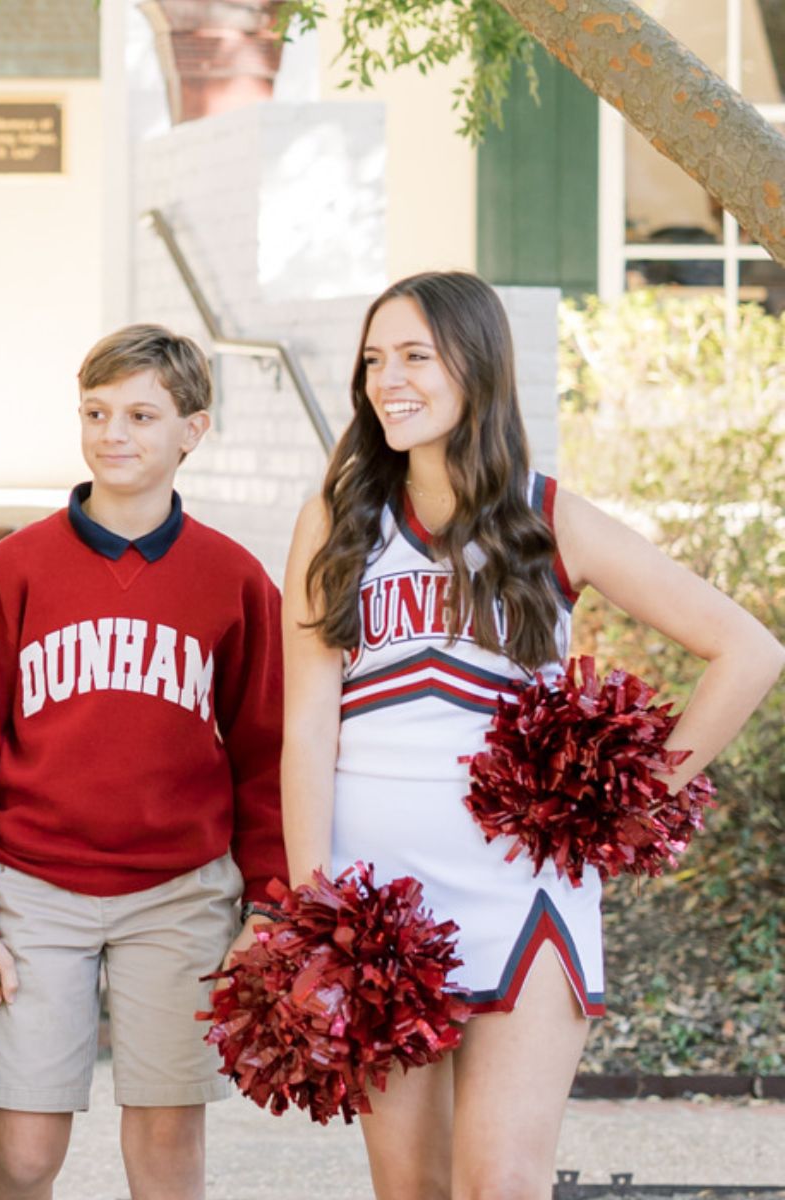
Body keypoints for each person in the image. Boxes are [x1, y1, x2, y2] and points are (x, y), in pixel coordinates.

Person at [280, 272, 783, 1198]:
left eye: (415, 356)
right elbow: (307, 727)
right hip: (379, 905)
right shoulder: (336, 520)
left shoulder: (550, 519)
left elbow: (747, 650)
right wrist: (318, 913)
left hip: (524, 898)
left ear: (477, 367)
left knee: (501, 1185)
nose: (387, 378)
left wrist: (632, 800)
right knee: (412, 1189)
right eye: (373, 359)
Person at [0, 325, 286, 1200]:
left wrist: (270, 903)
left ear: (190, 432)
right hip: (35, 888)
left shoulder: (232, 578)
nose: (113, 433)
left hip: (179, 892)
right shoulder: (14, 569)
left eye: (140, 414)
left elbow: (266, 754)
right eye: (95, 412)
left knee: (167, 1152)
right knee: (24, 1152)